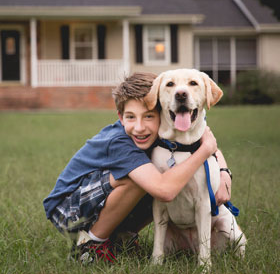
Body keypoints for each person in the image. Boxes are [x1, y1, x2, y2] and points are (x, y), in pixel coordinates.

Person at [43, 72, 232, 263]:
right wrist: (205, 151)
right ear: (121, 116)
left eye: (149, 116)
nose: (140, 127)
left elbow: (204, 140)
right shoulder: (120, 142)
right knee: (147, 181)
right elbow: (165, 191)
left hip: (95, 201)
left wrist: (223, 173)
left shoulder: (166, 130)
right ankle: (92, 244)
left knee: (158, 176)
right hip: (67, 208)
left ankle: (122, 237)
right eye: (131, 117)